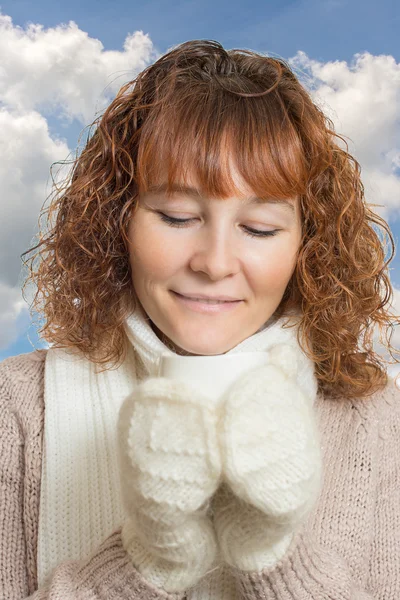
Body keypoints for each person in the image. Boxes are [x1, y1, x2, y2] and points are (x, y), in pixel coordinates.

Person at [1, 38, 400, 599]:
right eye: (177, 216)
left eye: (258, 228)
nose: (214, 263)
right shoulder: (18, 409)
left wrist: (273, 555)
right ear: (121, 221)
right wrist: (147, 561)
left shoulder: (379, 422)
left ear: (305, 245)